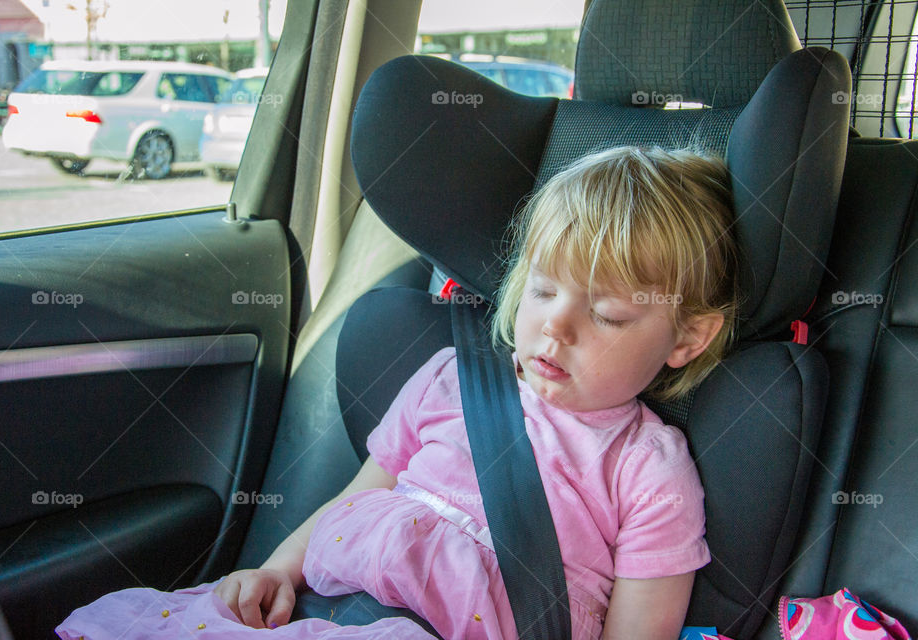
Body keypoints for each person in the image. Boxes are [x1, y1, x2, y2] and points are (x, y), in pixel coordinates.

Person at [56, 145, 738, 640]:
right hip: (320, 607)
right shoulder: (451, 378)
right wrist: (276, 570)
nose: (555, 326)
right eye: (541, 289)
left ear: (687, 339)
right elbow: (362, 493)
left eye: (608, 315)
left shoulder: (648, 466)